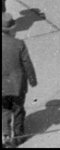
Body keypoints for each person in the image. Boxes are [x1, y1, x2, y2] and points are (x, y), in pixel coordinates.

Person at [1, 13, 37, 147]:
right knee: (18, 110)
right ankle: (18, 136)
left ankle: (5, 135)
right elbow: (27, 63)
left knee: (4, 109)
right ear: (11, 30)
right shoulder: (19, 44)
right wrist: (32, 80)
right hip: (18, 86)